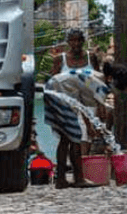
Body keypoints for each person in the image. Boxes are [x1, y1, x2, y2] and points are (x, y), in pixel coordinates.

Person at [44, 29, 110, 188]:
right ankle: (71, 179)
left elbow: (97, 83)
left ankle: (69, 179)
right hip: (61, 100)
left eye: (79, 40)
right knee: (69, 137)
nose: (76, 44)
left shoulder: (90, 58)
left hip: (81, 103)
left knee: (75, 138)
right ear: (68, 42)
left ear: (83, 41)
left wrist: (100, 104)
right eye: (72, 41)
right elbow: (53, 81)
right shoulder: (61, 60)